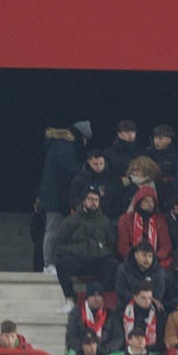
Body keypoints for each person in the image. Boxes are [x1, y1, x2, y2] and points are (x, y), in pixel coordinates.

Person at [39, 121, 92, 270]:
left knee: (55, 230)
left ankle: (52, 263)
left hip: (56, 196)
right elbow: (69, 168)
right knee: (53, 230)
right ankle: (48, 264)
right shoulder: (64, 146)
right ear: (81, 136)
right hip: (56, 197)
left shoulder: (58, 145)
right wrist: (84, 170)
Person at [55, 187, 119, 303]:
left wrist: (100, 250)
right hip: (77, 260)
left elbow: (111, 246)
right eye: (90, 199)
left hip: (98, 260)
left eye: (96, 200)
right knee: (61, 263)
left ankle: (100, 298)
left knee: (113, 265)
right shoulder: (70, 221)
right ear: (83, 201)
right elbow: (59, 245)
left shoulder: (105, 222)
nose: (93, 202)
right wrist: (77, 249)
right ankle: (69, 298)